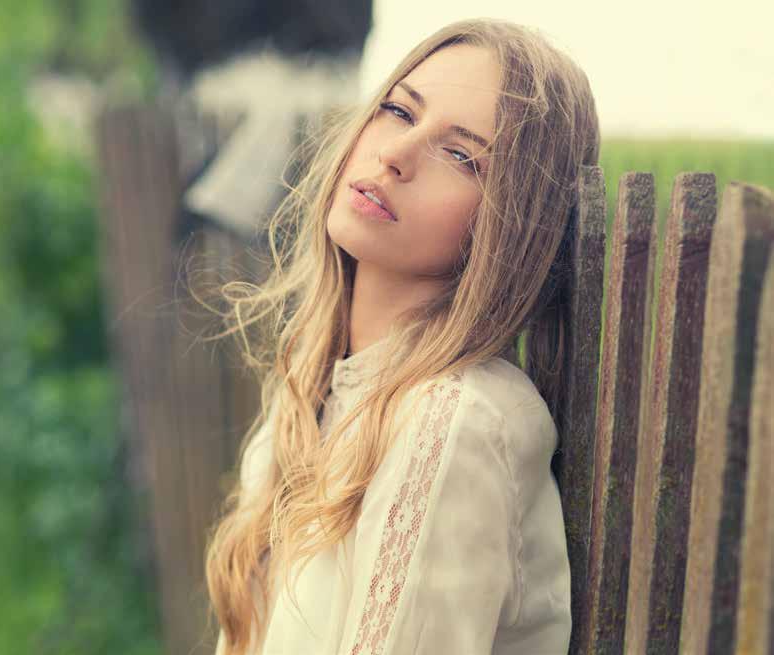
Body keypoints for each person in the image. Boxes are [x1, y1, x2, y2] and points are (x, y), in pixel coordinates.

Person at [204, 16, 600, 655]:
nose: (395, 154)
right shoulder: (315, 386)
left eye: (461, 155)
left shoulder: (457, 423)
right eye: (398, 111)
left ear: (510, 224)